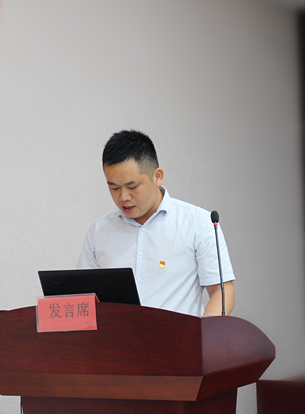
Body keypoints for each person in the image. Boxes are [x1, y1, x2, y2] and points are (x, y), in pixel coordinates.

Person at [77, 130, 234, 317]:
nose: (123, 197)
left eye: (132, 186)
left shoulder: (198, 224)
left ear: (157, 176)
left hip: (180, 336)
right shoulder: (99, 232)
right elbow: (82, 297)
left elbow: (222, 292)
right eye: (114, 188)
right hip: (118, 336)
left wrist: (204, 333)